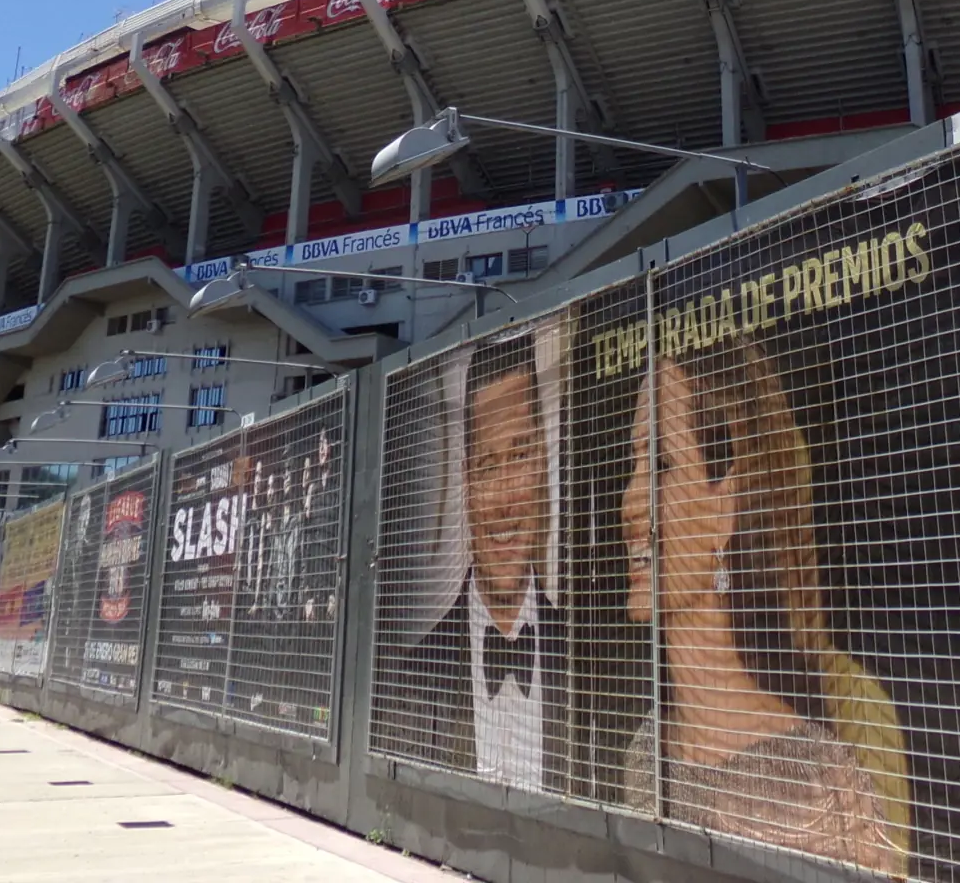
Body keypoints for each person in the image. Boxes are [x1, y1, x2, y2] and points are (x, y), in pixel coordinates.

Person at [620, 340, 909, 876]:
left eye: (661, 463)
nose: (630, 503)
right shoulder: (645, 750)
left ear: (726, 504)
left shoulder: (822, 772)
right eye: (634, 461)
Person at [375, 331, 566, 792]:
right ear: (464, 480)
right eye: (486, 466)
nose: (503, 500)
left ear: (544, 460)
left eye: (519, 455)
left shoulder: (587, 658)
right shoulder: (413, 675)